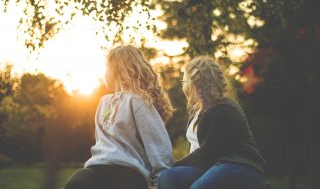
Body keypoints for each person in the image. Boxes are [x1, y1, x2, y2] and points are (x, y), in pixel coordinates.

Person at [65, 45, 173, 189]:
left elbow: (159, 147)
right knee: (76, 183)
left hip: (128, 171)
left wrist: (158, 183)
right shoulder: (104, 102)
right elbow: (102, 142)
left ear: (117, 69)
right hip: (98, 167)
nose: (104, 74)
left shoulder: (137, 101)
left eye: (106, 68)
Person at [158, 56, 267, 189]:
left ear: (195, 83)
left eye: (184, 80)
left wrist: (175, 164)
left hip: (240, 165)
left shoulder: (225, 108)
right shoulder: (198, 111)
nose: (183, 84)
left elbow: (209, 152)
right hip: (211, 166)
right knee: (167, 176)